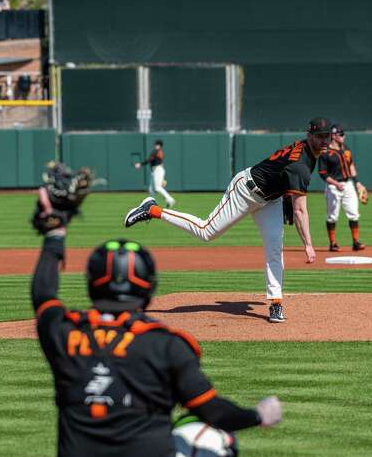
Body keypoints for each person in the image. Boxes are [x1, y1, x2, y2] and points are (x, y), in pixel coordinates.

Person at [30, 181, 282, 456]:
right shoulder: (168, 346)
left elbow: (43, 296)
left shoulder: (64, 333)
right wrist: (259, 416)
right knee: (218, 446)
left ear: (91, 283)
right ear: (149, 287)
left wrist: (55, 233)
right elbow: (213, 412)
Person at [124, 117, 332, 323]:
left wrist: (284, 193)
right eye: (319, 136)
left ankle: (276, 303)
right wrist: (309, 245)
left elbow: (281, 170)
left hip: (270, 200)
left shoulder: (308, 151)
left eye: (327, 136)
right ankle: (153, 210)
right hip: (245, 190)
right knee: (207, 232)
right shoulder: (301, 165)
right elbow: (300, 211)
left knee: (275, 249)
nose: (324, 141)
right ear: (309, 136)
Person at [318, 124, 366, 252]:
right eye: (340, 134)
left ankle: (356, 242)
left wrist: (357, 183)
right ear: (333, 136)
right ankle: (333, 243)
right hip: (333, 186)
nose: (343, 136)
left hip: (348, 184)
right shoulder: (325, 152)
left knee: (354, 214)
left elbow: (351, 167)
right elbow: (323, 174)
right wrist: (335, 184)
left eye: (343, 134)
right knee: (332, 216)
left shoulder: (346, 149)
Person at [135, 139, 176, 208]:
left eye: (157, 144)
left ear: (158, 145)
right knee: (151, 189)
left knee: (158, 188)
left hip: (158, 170)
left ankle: (170, 199)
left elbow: (150, 159)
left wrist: (140, 164)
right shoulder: (158, 151)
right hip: (156, 170)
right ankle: (152, 204)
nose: (155, 145)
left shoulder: (157, 151)